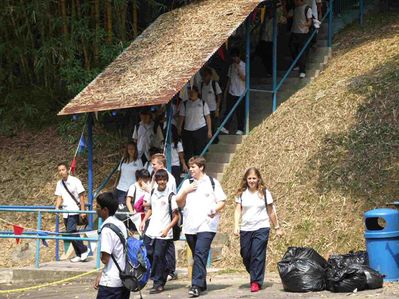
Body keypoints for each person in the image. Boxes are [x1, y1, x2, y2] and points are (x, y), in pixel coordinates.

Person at [176, 156, 227, 298]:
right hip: (190, 226)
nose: (190, 169)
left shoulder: (212, 182)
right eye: (190, 167)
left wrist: (214, 210)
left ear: (201, 167)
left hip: (206, 225)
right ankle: (202, 282)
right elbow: (179, 203)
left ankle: (196, 285)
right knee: (198, 255)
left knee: (199, 253)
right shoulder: (187, 183)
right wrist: (185, 191)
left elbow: (222, 201)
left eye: (193, 167)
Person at [233, 167, 283, 293]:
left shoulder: (265, 192)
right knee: (246, 255)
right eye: (249, 178)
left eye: (254, 178)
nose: (252, 181)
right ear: (246, 179)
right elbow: (238, 210)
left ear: (258, 179)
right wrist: (236, 225)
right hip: (246, 228)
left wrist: (277, 227)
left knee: (257, 254)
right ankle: (255, 272)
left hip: (262, 227)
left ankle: (255, 281)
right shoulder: (242, 193)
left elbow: (271, 211)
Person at [139, 169, 179, 294]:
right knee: (149, 253)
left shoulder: (171, 195)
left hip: (164, 231)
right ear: (156, 181)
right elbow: (151, 208)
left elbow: (176, 216)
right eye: (159, 179)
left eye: (164, 179)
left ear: (167, 180)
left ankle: (159, 283)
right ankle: (162, 273)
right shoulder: (153, 192)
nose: (162, 182)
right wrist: (144, 221)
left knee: (158, 256)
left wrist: (167, 229)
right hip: (151, 229)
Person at [94, 192, 130, 299]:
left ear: (105, 210)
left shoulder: (106, 229)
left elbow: (105, 259)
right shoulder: (120, 224)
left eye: (98, 207)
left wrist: (101, 257)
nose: (96, 209)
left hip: (110, 284)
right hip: (124, 279)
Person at [149, 153, 178, 280]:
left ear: (161, 164)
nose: (152, 166)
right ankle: (160, 270)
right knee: (155, 249)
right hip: (156, 217)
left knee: (168, 246)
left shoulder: (168, 178)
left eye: (154, 164)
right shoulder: (155, 177)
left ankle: (170, 270)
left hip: (167, 216)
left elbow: (170, 198)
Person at [55, 162, 89, 263]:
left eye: (63, 169)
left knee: (71, 231)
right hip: (65, 211)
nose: (61, 172)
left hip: (74, 209)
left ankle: (83, 250)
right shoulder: (59, 183)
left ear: (67, 170)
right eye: (59, 170)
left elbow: (82, 196)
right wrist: (57, 207)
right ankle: (78, 254)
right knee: (70, 233)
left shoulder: (75, 181)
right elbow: (59, 197)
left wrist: (83, 211)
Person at [178, 86, 212, 160]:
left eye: (193, 92)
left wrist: (209, 130)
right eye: (189, 92)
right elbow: (181, 117)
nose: (191, 94)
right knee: (188, 151)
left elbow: (207, 117)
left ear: (197, 93)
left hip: (200, 129)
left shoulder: (202, 103)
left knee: (199, 150)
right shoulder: (185, 104)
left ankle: (199, 165)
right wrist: (179, 127)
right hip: (188, 130)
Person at [220, 48, 246, 135]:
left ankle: (240, 129)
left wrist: (238, 68)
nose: (234, 59)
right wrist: (226, 92)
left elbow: (244, 78)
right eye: (233, 58)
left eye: (235, 57)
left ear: (238, 57)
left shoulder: (244, 65)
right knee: (228, 110)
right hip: (231, 92)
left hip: (241, 93)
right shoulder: (231, 67)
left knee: (240, 112)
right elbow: (229, 79)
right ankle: (226, 127)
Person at [287, 0, 313, 78]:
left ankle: (302, 71)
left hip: (303, 33)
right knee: (292, 47)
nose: (294, 2)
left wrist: (306, 24)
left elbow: (310, 21)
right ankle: (298, 64)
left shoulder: (307, 8)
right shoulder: (294, 9)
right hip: (294, 32)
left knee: (302, 52)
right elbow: (287, 15)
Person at [200, 67, 222, 143]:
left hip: (213, 109)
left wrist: (217, 109)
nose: (204, 77)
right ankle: (208, 141)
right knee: (206, 127)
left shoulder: (214, 84)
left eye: (205, 75)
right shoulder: (201, 85)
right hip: (204, 110)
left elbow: (219, 97)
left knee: (214, 126)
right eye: (203, 75)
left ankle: (215, 141)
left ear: (210, 75)